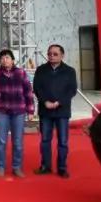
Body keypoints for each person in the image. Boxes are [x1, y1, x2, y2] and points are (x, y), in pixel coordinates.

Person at [0, 49, 35, 178]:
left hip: (19, 111)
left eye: (7, 57)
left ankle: (16, 167)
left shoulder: (21, 73)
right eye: (2, 58)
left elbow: (28, 92)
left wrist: (30, 110)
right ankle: (0, 166)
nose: (4, 60)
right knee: (1, 141)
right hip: (1, 111)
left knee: (18, 142)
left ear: (13, 60)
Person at [33, 44, 77, 178]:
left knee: (63, 141)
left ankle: (62, 168)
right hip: (45, 110)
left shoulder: (70, 71)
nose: (51, 56)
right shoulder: (41, 70)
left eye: (55, 54)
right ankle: (45, 166)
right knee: (45, 140)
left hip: (62, 110)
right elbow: (37, 88)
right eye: (49, 54)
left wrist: (59, 102)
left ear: (62, 55)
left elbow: (72, 90)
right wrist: (45, 101)